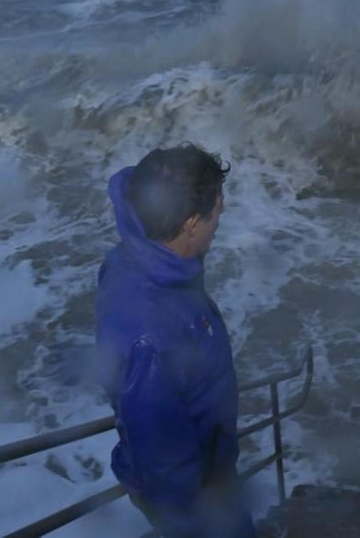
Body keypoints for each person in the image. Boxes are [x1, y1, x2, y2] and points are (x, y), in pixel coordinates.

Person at [95, 143, 255, 538]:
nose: (222, 215)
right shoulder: (151, 338)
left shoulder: (144, 254)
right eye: (217, 208)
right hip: (194, 495)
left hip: (206, 462)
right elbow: (163, 463)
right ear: (191, 224)